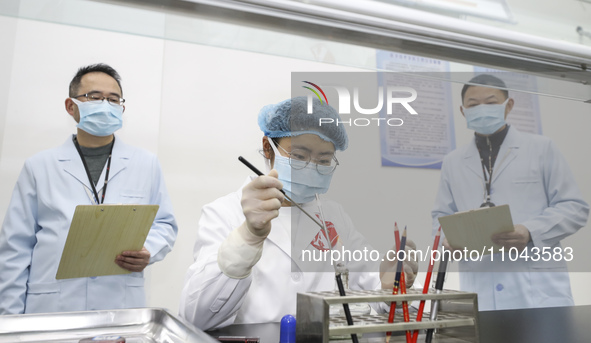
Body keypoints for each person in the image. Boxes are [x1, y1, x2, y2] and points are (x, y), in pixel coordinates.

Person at [180, 96, 417, 330]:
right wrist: (247, 237)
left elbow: (369, 293)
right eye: (299, 156)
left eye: (323, 160)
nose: (310, 167)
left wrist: (387, 289)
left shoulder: (334, 215)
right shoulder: (223, 213)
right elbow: (197, 318)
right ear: (267, 147)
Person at [0, 63, 178, 314]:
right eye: (94, 97)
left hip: (120, 304)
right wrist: (8, 321)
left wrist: (149, 249)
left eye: (113, 99)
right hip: (52, 305)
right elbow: (16, 247)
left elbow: (165, 224)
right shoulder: (39, 166)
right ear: (71, 106)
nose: (105, 105)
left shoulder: (145, 163)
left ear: (122, 108)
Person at [431, 74, 589, 311]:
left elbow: (575, 208)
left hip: (538, 291)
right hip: (480, 286)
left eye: (492, 102)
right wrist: (447, 240)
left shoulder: (541, 148)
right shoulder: (453, 162)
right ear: (463, 111)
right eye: (473, 104)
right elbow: (441, 215)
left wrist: (530, 231)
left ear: (509, 105)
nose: (482, 109)